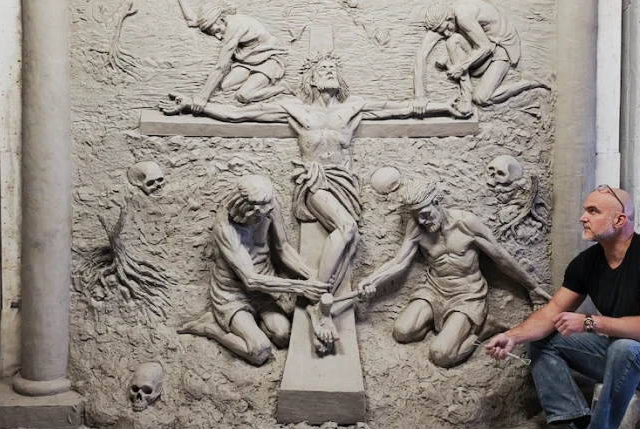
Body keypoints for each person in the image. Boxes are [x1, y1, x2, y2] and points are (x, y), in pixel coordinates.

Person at [163, 51, 463, 352]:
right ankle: (320, 306)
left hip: (345, 181)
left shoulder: (352, 107)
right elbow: (239, 114)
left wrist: (441, 107)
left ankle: (321, 295)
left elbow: (399, 109)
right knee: (346, 228)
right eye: (323, 68)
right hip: (314, 180)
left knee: (352, 240)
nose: (329, 71)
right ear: (311, 79)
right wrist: (196, 105)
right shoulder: (295, 109)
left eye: (333, 68)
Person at [486, 186, 640, 429]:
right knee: (543, 338)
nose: (582, 217)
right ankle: (576, 424)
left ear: (620, 220)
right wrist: (511, 336)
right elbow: (551, 312)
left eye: (593, 211)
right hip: (620, 359)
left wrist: (590, 322)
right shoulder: (587, 262)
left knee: (625, 348)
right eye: (585, 210)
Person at [357, 179, 551, 367]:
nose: (422, 221)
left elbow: (500, 257)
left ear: (436, 203)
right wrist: (371, 280)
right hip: (434, 290)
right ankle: (444, 326)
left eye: (424, 214)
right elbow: (399, 261)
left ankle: (482, 330)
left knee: (441, 355)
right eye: (417, 216)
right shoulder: (417, 226)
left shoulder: (466, 223)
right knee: (402, 332)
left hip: (467, 295)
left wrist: (532, 287)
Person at [177, 175, 330, 365]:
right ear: (243, 208)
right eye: (257, 215)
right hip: (233, 293)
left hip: (265, 288)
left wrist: (310, 275)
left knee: (283, 335)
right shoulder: (225, 228)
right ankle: (211, 327)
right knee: (259, 351)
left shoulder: (268, 205)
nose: (264, 217)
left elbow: (283, 248)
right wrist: (301, 287)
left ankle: (253, 326)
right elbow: (250, 279)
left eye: (267, 211)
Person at [412, 0, 550, 116]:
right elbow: (421, 56)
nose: (446, 33)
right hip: (481, 48)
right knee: (452, 40)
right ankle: (466, 99)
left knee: (481, 98)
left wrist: (461, 67)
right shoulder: (441, 22)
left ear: (449, 18)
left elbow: (486, 47)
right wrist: (419, 97)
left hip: (501, 46)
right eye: (442, 31)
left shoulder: (463, 15)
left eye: (447, 28)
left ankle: (528, 83)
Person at [176, 1, 293, 104]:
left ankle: (281, 88)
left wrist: (202, 97)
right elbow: (193, 20)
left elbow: (221, 67)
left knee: (244, 95)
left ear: (220, 20)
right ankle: (255, 82)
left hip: (268, 60)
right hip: (249, 61)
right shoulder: (219, 20)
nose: (218, 37)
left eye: (217, 31)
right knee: (225, 86)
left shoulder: (234, 27)